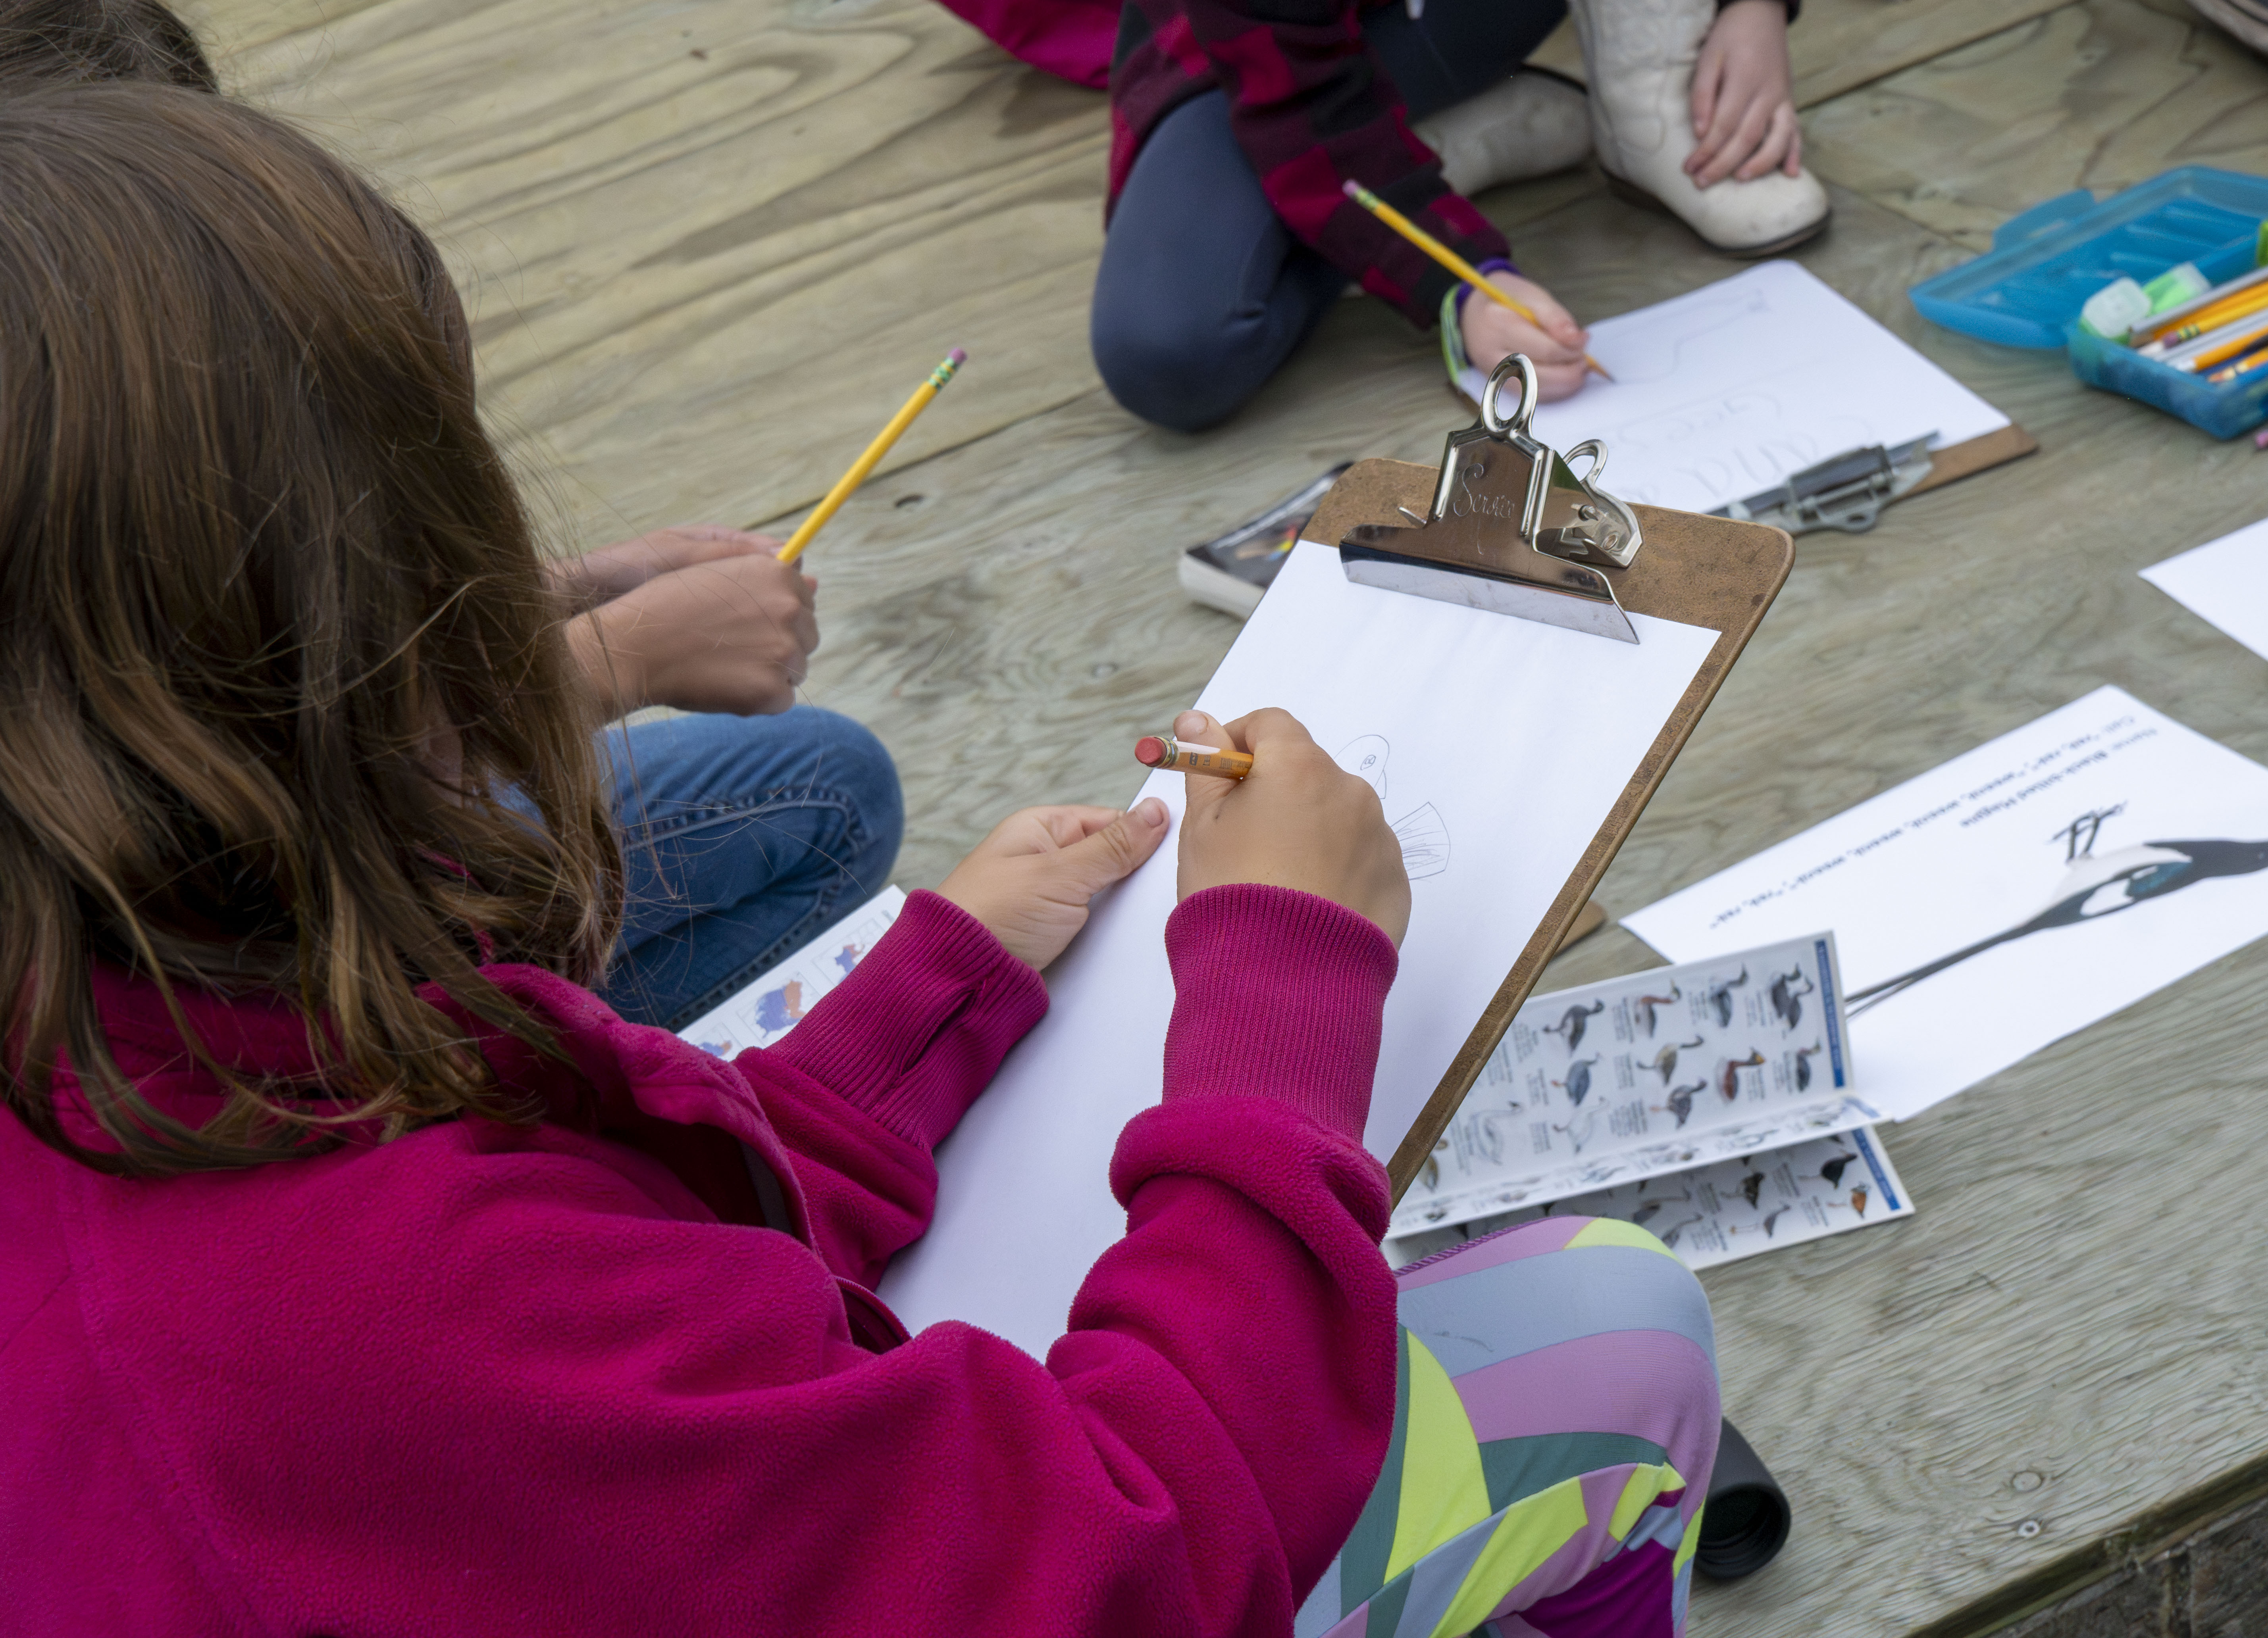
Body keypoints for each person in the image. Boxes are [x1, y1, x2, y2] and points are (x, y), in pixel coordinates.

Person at [0, 83, 1722, 1636]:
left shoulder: (158, 1019)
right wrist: (1281, 993)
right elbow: (1142, 1557)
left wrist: (928, 998)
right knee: (1616, 1331)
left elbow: (646, 1268)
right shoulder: (423, 1298)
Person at [0, 0, 902, 1034]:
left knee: (823, 780)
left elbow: (252, 668)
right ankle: (573, 1081)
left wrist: (542, 601)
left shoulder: (69, 496)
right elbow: (269, 835)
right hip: (299, 1013)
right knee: (831, 804)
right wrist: (615, 661)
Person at [944, 0, 1825, 433]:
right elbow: (1298, 97)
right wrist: (1459, 283)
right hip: (1275, 54)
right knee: (1171, 350)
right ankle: (1424, 163)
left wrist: (1749, 7)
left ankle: (1649, 95)